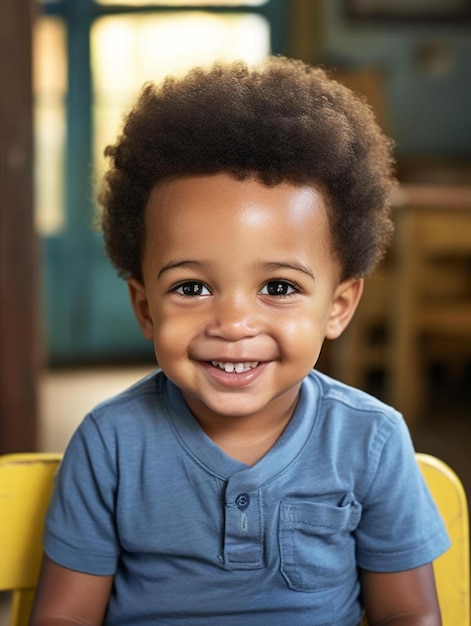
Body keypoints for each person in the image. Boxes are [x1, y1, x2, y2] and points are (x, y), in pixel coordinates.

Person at [30, 56, 450, 626]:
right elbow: (64, 617)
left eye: (277, 286)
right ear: (144, 308)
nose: (233, 323)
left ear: (339, 307)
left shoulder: (370, 442)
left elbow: (409, 616)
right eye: (192, 286)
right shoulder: (111, 446)